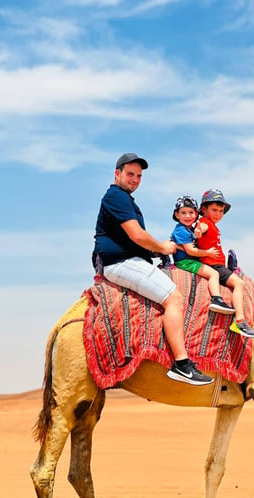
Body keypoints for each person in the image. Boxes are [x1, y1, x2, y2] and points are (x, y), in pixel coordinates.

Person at [92, 153, 213, 386]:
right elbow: (137, 235)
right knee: (174, 298)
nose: (135, 179)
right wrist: (161, 246)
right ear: (117, 174)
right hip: (120, 263)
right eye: (130, 174)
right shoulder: (116, 196)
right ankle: (182, 364)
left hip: (127, 260)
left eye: (138, 176)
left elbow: (134, 240)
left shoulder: (125, 199)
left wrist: (158, 251)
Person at [196, 189, 254, 338]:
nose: (218, 214)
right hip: (213, 265)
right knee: (239, 284)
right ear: (204, 209)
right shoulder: (204, 222)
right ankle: (240, 321)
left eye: (221, 211)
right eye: (214, 210)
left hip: (217, 264)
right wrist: (199, 230)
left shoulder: (213, 225)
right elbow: (201, 228)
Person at [170, 195, 235, 315]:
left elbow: (198, 236)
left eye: (191, 212)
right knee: (213, 273)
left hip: (192, 260)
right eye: (183, 213)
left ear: (196, 214)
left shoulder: (188, 229)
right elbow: (191, 251)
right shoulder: (181, 231)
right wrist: (208, 252)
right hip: (186, 261)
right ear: (177, 214)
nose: (188, 216)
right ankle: (217, 299)